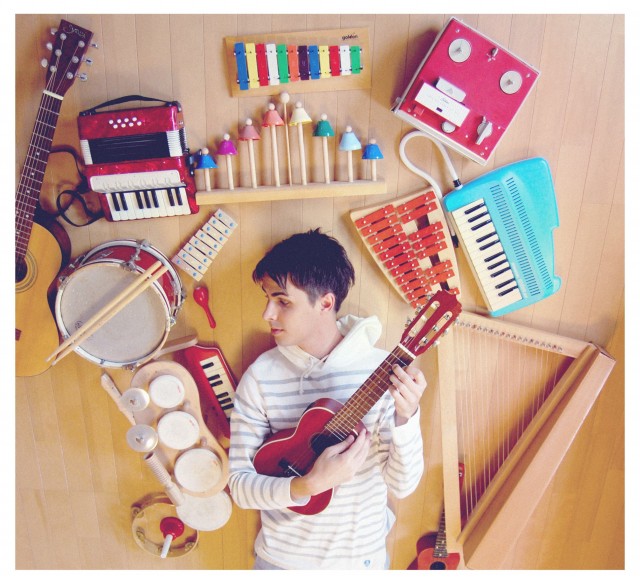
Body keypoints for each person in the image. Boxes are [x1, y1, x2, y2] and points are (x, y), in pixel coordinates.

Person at [227, 229, 427, 569]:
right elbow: (240, 487)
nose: (267, 314)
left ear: (325, 303)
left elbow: (402, 485)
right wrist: (309, 484)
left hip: (360, 564)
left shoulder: (382, 372)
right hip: (281, 563)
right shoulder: (260, 376)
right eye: (268, 299)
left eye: (283, 301)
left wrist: (406, 418)